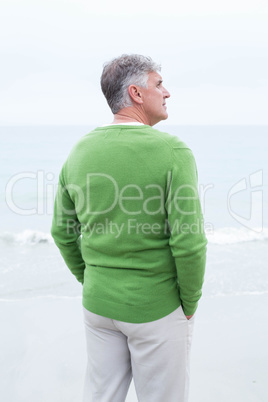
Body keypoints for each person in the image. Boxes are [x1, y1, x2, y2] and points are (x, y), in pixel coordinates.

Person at [51, 54, 207, 402]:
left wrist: (90, 278)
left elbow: (62, 232)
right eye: (159, 84)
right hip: (156, 308)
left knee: (100, 395)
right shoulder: (172, 151)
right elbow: (189, 242)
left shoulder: (79, 151)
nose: (167, 93)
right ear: (136, 93)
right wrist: (190, 301)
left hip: (98, 305)